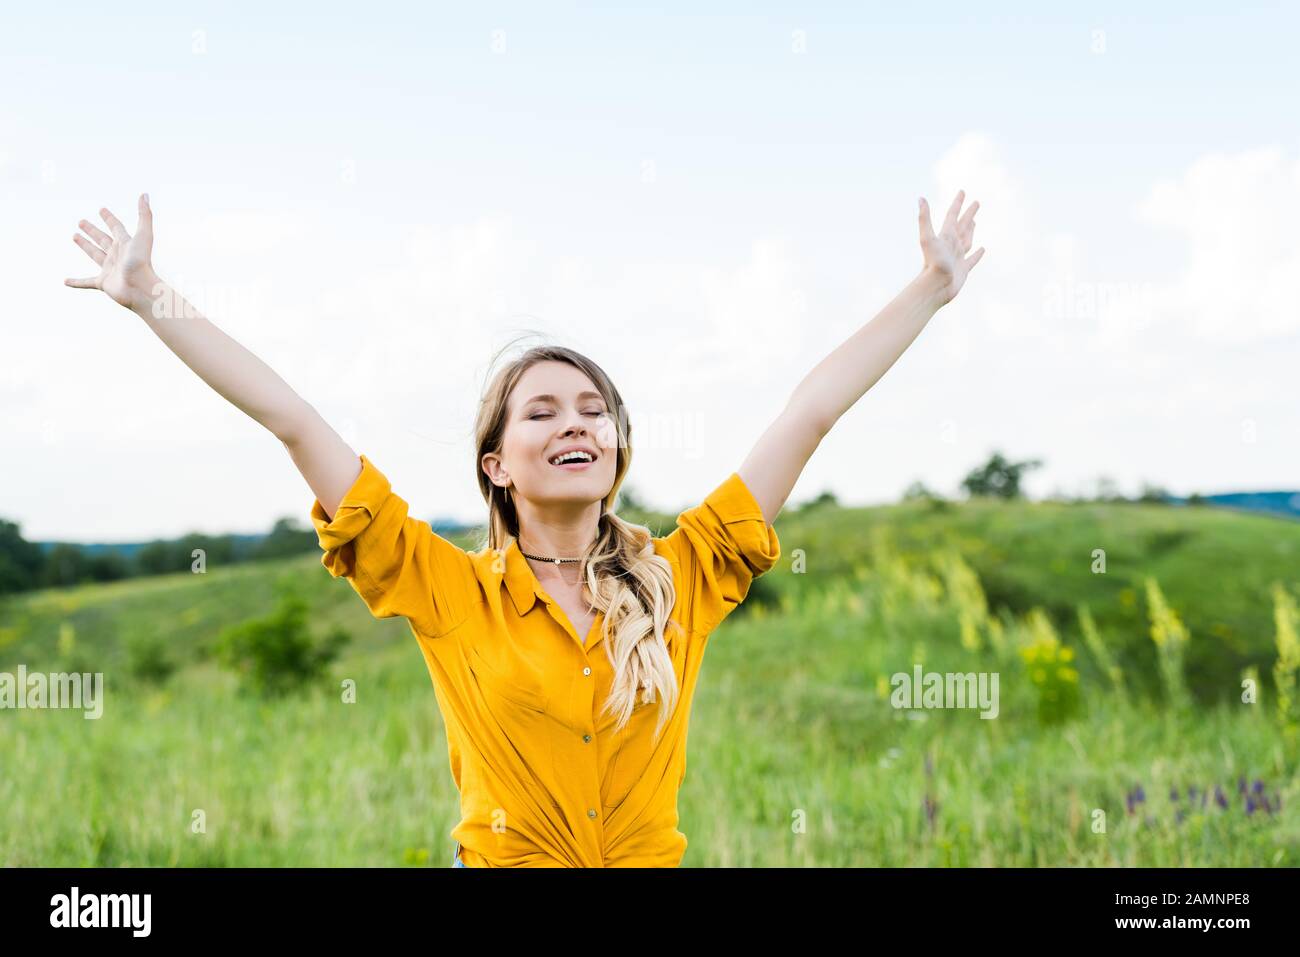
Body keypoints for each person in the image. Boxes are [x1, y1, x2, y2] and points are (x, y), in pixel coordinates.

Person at [65, 191, 984, 867]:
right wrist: (154, 300)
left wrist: (930, 291)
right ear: (496, 463)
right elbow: (296, 419)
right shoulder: (447, 588)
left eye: (594, 410)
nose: (576, 424)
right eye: (542, 413)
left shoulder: (682, 574)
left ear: (617, 447)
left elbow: (809, 413)